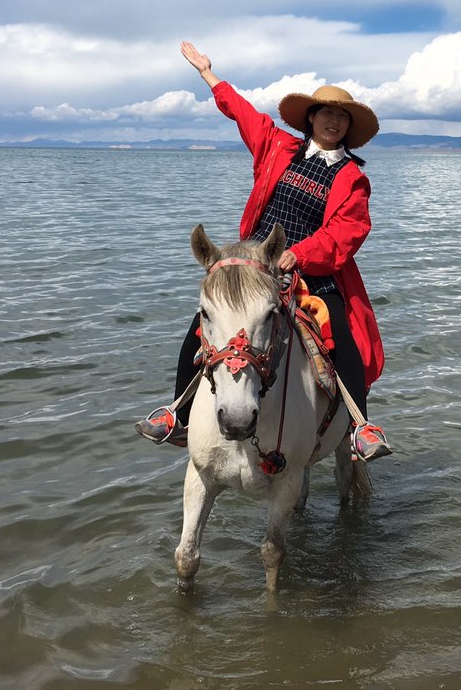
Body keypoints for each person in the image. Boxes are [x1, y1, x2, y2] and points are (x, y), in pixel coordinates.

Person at [136, 41, 392, 462]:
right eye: (326, 113)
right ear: (311, 118)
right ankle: (177, 415)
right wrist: (207, 74)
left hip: (315, 272)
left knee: (343, 338)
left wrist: (301, 253)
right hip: (255, 264)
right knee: (203, 323)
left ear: (349, 128)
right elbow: (243, 113)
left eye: (342, 117)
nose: (333, 122)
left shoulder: (352, 178)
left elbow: (348, 232)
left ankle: (360, 427)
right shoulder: (278, 146)